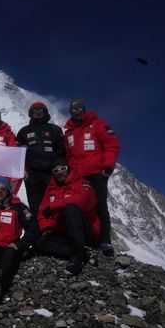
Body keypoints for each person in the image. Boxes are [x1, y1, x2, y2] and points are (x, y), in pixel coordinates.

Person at [63, 100, 120, 255]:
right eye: (73, 110)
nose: (77, 112)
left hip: (96, 173)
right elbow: (67, 156)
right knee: (81, 207)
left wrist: (107, 166)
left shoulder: (97, 125)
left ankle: (105, 241)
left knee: (100, 206)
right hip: (78, 177)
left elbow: (111, 144)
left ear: (84, 110)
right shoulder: (68, 133)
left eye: (79, 109)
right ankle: (87, 240)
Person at [35, 158, 100, 275]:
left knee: (71, 209)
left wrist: (55, 205)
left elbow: (83, 200)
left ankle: (77, 259)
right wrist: (46, 228)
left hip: (84, 233)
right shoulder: (51, 191)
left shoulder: (83, 183)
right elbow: (42, 212)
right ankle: (84, 252)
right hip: (63, 233)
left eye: (62, 169)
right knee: (39, 243)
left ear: (68, 169)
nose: (59, 172)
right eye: (55, 171)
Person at [16, 101, 65, 216]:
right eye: (35, 110)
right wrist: (23, 169)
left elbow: (62, 149)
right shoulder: (23, 131)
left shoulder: (55, 129)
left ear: (45, 112)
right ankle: (38, 231)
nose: (38, 112)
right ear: (30, 113)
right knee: (34, 205)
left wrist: (57, 165)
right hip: (31, 173)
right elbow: (17, 153)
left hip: (51, 172)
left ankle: (53, 230)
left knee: (53, 202)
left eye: (41, 110)